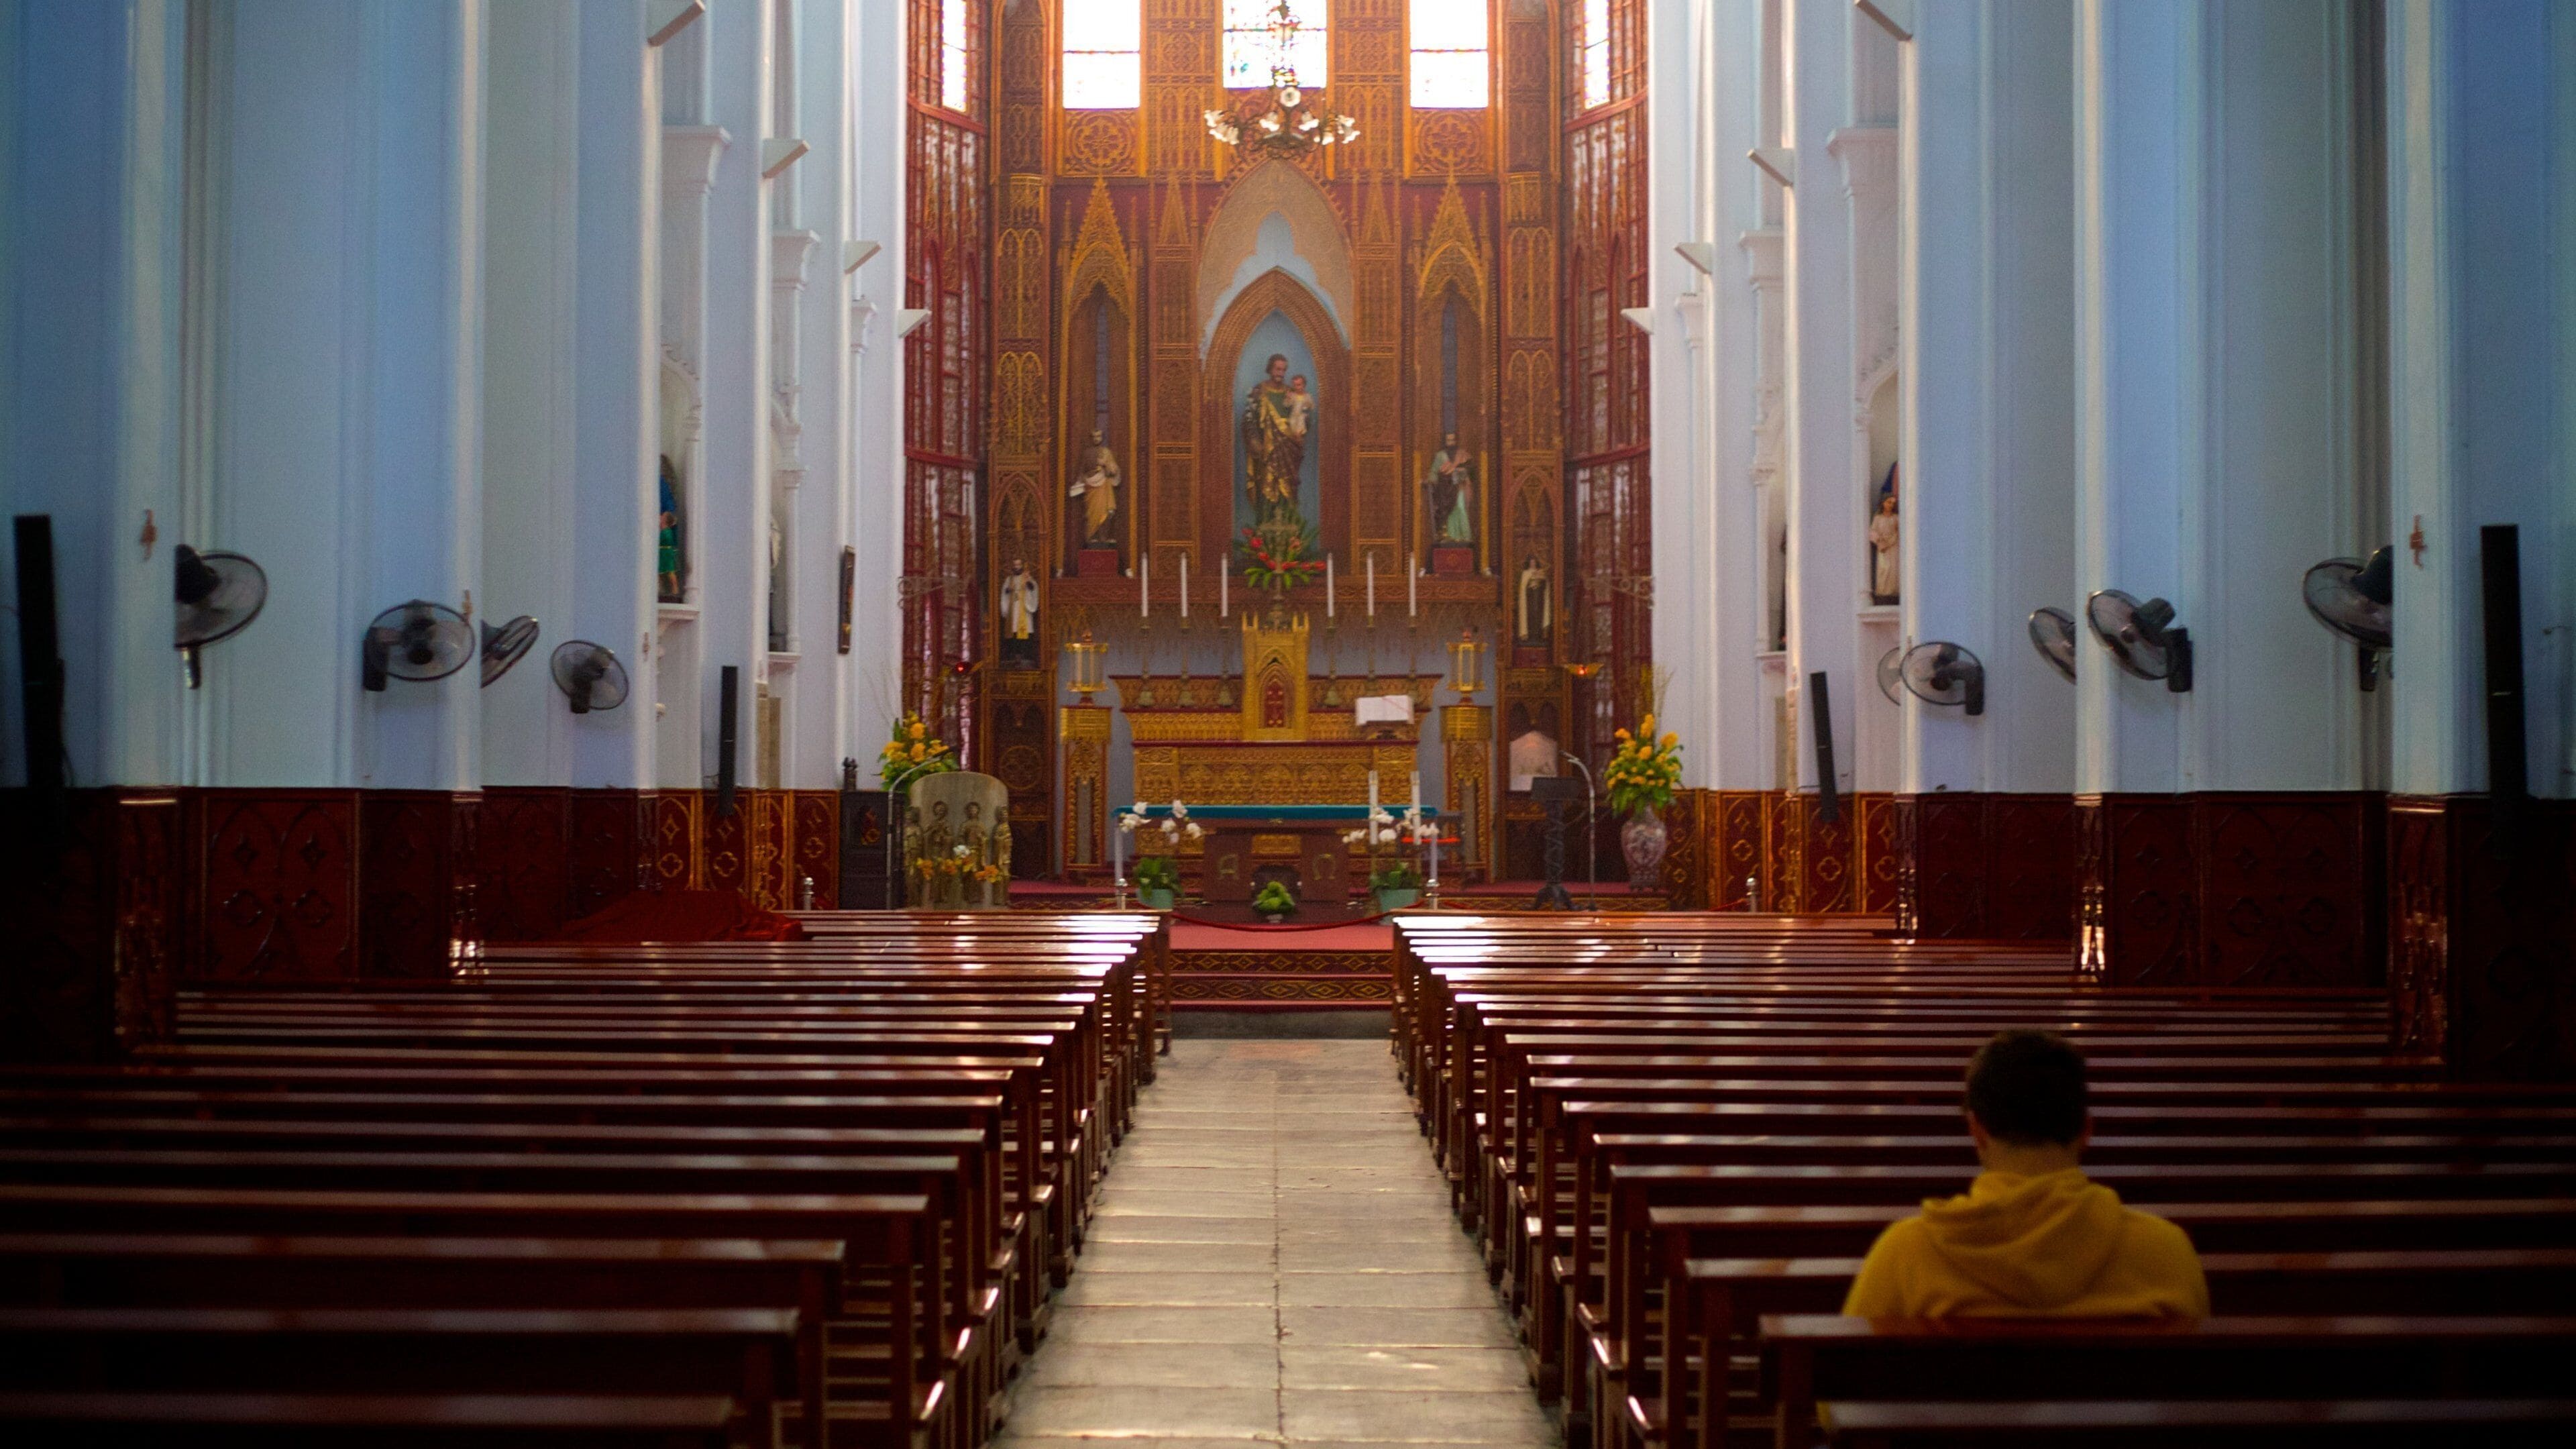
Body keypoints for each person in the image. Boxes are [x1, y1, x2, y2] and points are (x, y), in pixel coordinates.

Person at [1842, 1030, 2208, 1319]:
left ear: (1977, 1129)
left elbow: (1839, 1394)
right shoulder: (2164, 1252)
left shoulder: (1908, 1254)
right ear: (2086, 1130)